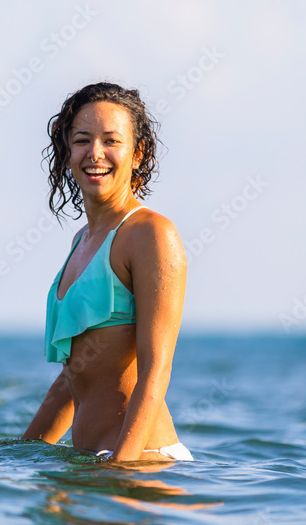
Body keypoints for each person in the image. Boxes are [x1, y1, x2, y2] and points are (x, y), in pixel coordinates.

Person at [21, 82, 192, 462]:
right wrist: (22, 450)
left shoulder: (150, 233)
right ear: (67, 153)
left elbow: (156, 371)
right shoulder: (81, 241)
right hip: (93, 465)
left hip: (142, 461)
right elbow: (74, 377)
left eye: (111, 140)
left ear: (137, 154)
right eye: (82, 140)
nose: (95, 153)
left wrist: (121, 464)